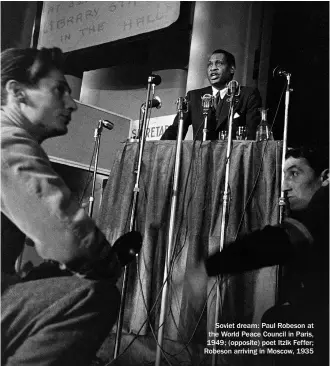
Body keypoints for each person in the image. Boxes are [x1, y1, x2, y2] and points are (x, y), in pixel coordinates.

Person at [1, 47, 141, 366]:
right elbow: (69, 239)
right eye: (59, 90)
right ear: (17, 92)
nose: (72, 103)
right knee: (93, 298)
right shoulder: (7, 142)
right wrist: (109, 264)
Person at [187, 146, 329, 365]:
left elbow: (275, 242)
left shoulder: (323, 207)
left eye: (294, 174)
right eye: (284, 176)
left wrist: (208, 268)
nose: (284, 187)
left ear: (325, 176)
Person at [160, 49, 262, 141]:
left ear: (232, 69)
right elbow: (176, 129)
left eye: (219, 63)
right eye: (209, 64)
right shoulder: (194, 96)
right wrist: (160, 148)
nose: (213, 68)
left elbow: (252, 133)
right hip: (200, 157)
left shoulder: (248, 95)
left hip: (232, 157)